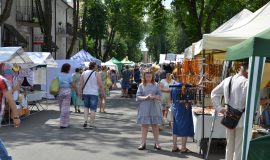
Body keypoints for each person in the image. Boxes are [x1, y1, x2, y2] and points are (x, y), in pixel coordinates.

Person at [211, 62, 248, 160]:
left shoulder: (228, 80)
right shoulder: (246, 82)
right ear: (246, 70)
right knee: (238, 147)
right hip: (241, 117)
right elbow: (246, 101)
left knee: (230, 145)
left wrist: (219, 108)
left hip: (229, 116)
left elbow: (213, 93)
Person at [136, 69, 163, 150]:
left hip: (154, 107)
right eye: (147, 76)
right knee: (144, 125)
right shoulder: (141, 85)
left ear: (152, 76)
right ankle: (143, 143)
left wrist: (154, 96)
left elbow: (160, 96)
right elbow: (138, 96)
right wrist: (146, 97)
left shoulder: (156, 85)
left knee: (155, 125)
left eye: (150, 76)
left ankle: (157, 143)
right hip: (144, 107)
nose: (148, 78)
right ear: (144, 76)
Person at [0, 74, 21, 160]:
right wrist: (15, 117)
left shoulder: (2, 81)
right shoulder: (2, 80)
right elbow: (10, 99)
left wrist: (15, 116)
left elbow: (10, 99)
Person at [171, 82, 194, 153]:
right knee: (184, 127)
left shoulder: (173, 85)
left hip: (175, 108)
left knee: (175, 126)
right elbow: (185, 100)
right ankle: (183, 148)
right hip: (183, 109)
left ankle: (174, 146)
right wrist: (190, 100)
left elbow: (172, 98)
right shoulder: (184, 86)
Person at [80, 62, 105, 128]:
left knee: (86, 107)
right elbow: (100, 84)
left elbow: (81, 84)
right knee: (93, 109)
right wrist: (103, 92)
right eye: (96, 66)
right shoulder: (96, 73)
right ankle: (91, 123)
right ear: (94, 66)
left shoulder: (84, 73)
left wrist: (80, 92)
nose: (97, 67)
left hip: (85, 92)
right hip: (94, 93)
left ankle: (85, 121)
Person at [58, 63, 79, 129]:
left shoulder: (58, 75)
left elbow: (56, 84)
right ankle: (64, 123)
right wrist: (77, 92)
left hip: (60, 92)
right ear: (68, 69)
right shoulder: (69, 76)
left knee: (61, 107)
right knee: (66, 108)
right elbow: (73, 85)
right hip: (67, 92)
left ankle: (63, 122)